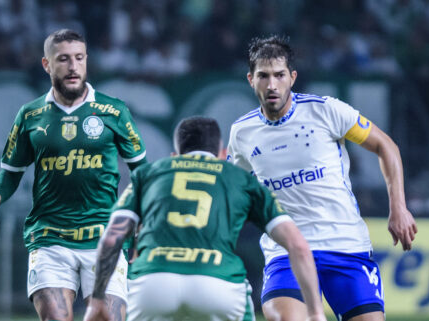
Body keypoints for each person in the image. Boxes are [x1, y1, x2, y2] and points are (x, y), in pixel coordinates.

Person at [227, 35, 418, 321]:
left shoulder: (326, 110)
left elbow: (385, 146)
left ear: (292, 77)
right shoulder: (242, 133)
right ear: (250, 79)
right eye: (263, 76)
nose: (271, 85)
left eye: (279, 75)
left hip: (345, 245)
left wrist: (398, 208)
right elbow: (230, 189)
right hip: (285, 253)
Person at [0, 29, 147, 321]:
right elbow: (11, 171)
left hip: (104, 237)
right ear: (47, 64)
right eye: (63, 59)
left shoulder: (113, 111)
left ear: (86, 61)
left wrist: (141, 217)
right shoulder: (30, 115)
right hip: (50, 236)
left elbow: (141, 172)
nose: (73, 66)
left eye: (79, 58)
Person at [83, 116, 327, 321]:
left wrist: (97, 298)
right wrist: (315, 312)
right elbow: (298, 246)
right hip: (218, 282)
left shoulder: (149, 173)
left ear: (174, 155)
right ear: (222, 153)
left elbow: (112, 238)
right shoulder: (240, 178)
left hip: (152, 282)